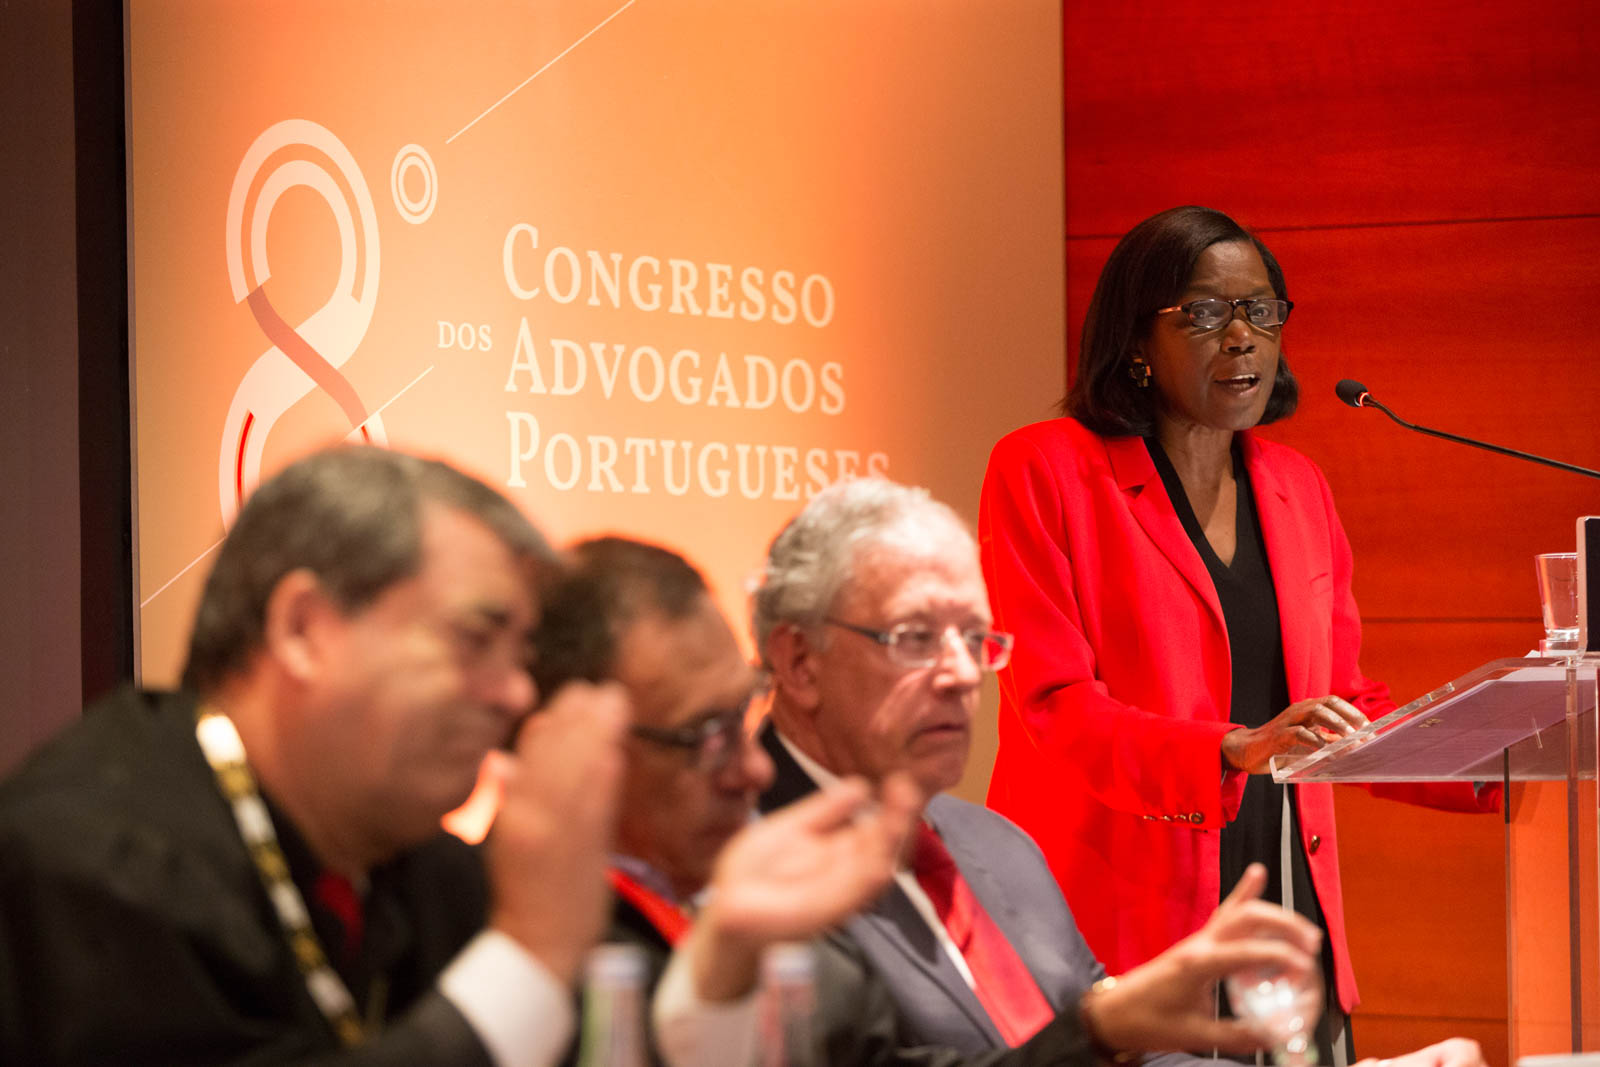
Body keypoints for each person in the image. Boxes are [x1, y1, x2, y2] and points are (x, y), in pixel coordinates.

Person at [978, 205, 1500, 1064]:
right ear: (1136, 340)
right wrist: (1229, 749)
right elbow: (1053, 706)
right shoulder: (1046, 469)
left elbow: (1346, 704)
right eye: (1204, 313)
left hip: (1284, 899)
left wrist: (1498, 762)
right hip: (1119, 916)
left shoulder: (1298, 486)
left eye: (1260, 310)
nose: (1241, 337)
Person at [533, 534, 1326, 1067]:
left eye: (974, 640)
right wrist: (1102, 1031)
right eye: (915, 638)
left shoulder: (999, 847)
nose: (961, 674)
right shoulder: (750, 886)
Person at [0, 446, 630, 1065]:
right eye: (475, 640)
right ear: (303, 629)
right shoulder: (95, 863)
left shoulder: (422, 863)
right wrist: (531, 952)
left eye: (521, 654)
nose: (518, 694)